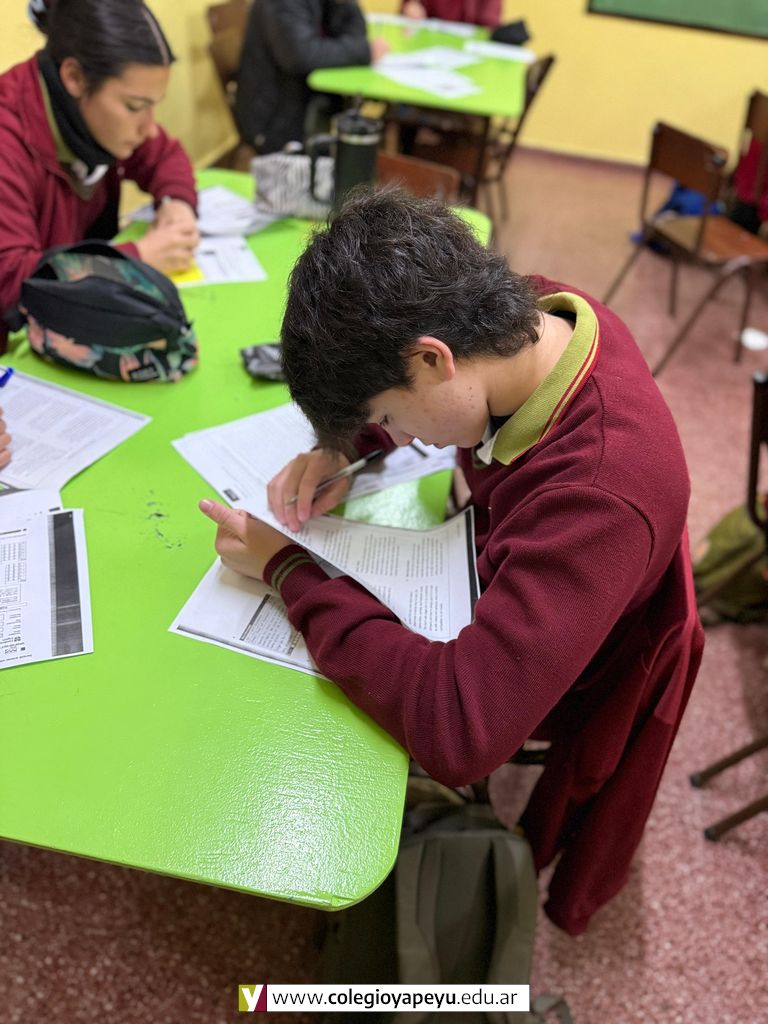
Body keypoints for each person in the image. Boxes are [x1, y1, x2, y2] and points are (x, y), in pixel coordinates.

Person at [199, 190, 704, 935]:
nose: (396, 436)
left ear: (432, 359)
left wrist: (289, 573)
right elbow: (439, 396)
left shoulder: (598, 493)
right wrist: (344, 447)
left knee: (317, 714)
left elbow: (461, 731)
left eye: (387, 417)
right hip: (512, 565)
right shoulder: (531, 317)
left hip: (571, 669)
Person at [0, 0, 199, 355]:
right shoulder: (8, 136)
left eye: (153, 105)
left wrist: (176, 204)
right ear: (74, 78)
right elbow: (12, 278)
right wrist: (135, 260)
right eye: (135, 107)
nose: (149, 127)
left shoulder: (94, 115)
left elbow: (165, 156)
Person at [234, 0, 389, 156]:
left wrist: (345, 4)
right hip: (274, 120)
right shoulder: (282, 3)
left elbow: (356, 35)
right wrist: (365, 51)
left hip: (305, 106)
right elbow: (300, 56)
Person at [401, 0, 501, 27]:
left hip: (467, 49)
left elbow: (489, 24)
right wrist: (411, 6)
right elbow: (410, 6)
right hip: (426, 41)